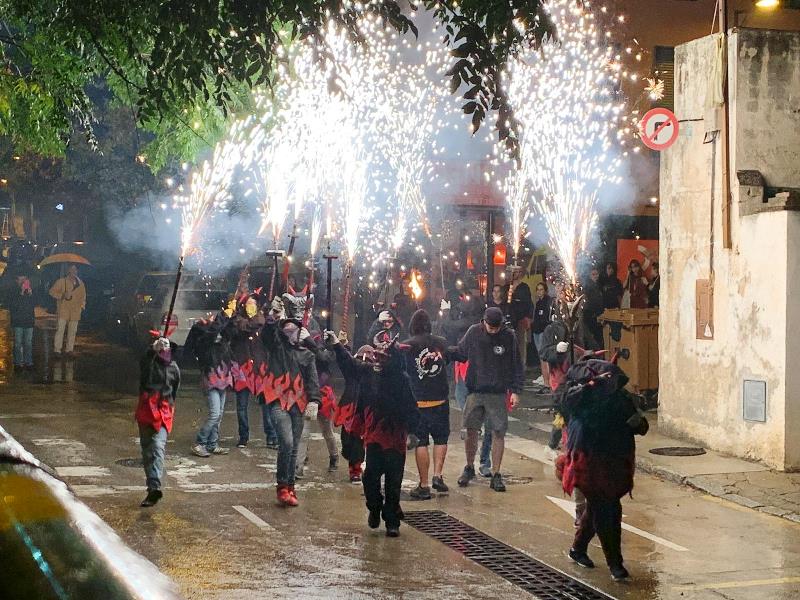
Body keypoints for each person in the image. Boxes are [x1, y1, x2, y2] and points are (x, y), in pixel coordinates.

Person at [556, 358, 649, 580]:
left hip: (614, 462)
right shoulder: (579, 395)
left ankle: (578, 549)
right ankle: (615, 564)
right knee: (608, 510)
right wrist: (590, 386)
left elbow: (641, 425)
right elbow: (565, 403)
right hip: (587, 463)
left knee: (598, 508)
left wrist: (636, 422)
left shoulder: (620, 398)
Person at [326, 331, 419, 537]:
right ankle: (374, 507)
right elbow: (351, 366)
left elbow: (411, 407)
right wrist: (337, 346)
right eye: (376, 356)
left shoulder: (401, 380)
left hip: (395, 437)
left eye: (382, 358)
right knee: (370, 479)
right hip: (374, 436)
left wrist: (413, 432)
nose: (377, 360)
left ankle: (392, 521)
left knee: (394, 483)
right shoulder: (370, 372)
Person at [450, 307, 523, 492]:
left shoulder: (509, 336)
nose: (493, 330)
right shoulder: (474, 332)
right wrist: (443, 350)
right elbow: (461, 352)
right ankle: (469, 467)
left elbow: (516, 365)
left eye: (496, 327)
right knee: (470, 430)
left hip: (498, 391)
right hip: (475, 390)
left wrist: (515, 390)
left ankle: (496, 473)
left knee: (498, 432)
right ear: (484, 322)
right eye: (490, 327)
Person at [260, 299, 321, 507]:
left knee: (294, 447)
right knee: (286, 442)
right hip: (277, 400)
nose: (289, 333)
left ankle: (290, 487)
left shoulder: (307, 355)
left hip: (298, 403)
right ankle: (282, 485)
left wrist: (314, 400)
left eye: (293, 330)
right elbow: (268, 337)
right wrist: (270, 320)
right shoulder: (278, 348)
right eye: (285, 330)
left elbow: (314, 378)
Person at [400, 309, 452, 500]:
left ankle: (424, 485)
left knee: (421, 442)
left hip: (418, 402)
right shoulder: (441, 343)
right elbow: (448, 358)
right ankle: (438, 475)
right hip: (440, 400)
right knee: (441, 439)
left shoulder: (406, 346)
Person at [184, 302, 235, 458]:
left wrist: (230, 316)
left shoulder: (221, 343)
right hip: (211, 379)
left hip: (223, 379)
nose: (209, 318)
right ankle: (200, 443)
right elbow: (213, 332)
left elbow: (229, 331)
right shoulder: (204, 341)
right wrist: (224, 316)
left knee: (219, 414)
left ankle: (212, 444)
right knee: (214, 414)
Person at [135, 337, 180, 507]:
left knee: (157, 446)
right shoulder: (149, 363)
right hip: (146, 411)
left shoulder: (174, 368)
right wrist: (151, 349)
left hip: (163, 413)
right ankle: (151, 487)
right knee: (147, 451)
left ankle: (155, 486)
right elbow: (143, 365)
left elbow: (174, 390)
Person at [230, 294, 277, 449]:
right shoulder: (239, 320)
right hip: (243, 368)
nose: (250, 306)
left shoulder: (262, 321)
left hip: (260, 368)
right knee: (242, 406)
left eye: (253, 303)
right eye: (247, 303)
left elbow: (267, 333)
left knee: (266, 404)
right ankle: (243, 436)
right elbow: (245, 327)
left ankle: (271, 435)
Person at [49, 264, 86, 356]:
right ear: (68, 270)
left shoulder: (80, 283)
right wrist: (62, 295)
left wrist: (82, 306)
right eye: (72, 269)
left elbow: (83, 296)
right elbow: (52, 292)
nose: (73, 271)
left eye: (75, 269)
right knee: (60, 330)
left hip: (75, 311)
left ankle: (69, 349)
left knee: (72, 331)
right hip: (63, 310)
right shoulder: (62, 282)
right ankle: (57, 349)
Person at [9, 273, 35, 371]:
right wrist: (21, 292)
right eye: (21, 280)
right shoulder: (13, 291)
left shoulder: (30, 292)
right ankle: (18, 363)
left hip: (29, 321)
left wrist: (31, 294)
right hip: (18, 321)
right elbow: (13, 306)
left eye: (25, 279)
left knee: (28, 343)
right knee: (17, 343)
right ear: (17, 280)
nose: (23, 282)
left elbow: (36, 303)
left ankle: (28, 362)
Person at [531, 282, 554, 387]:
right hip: (537, 331)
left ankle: (547, 380)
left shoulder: (547, 302)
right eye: (538, 289)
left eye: (541, 289)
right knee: (541, 356)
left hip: (543, 332)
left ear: (545, 290)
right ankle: (544, 377)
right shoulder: (538, 302)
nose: (539, 292)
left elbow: (546, 318)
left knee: (544, 357)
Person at [509, 282, 533, 368]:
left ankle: (522, 366)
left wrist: (528, 318)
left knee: (522, 345)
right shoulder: (507, 287)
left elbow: (529, 303)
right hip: (511, 321)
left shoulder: (523, 287)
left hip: (521, 320)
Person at [581, 267, 605, 350]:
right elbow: (590, 303)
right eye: (593, 274)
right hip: (592, 317)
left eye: (597, 274)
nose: (595, 276)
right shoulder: (589, 288)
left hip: (597, 315)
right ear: (590, 275)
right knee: (594, 339)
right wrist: (595, 315)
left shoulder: (598, 286)